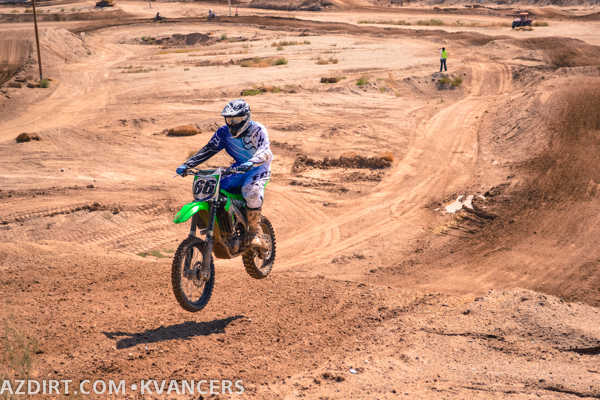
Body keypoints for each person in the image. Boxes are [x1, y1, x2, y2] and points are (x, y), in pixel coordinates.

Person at [176, 99, 273, 249]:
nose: (233, 124)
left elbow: (264, 150)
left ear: (246, 117)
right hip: (240, 166)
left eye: (237, 120)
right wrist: (187, 164)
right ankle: (222, 223)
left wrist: (252, 162)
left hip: (259, 166)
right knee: (216, 187)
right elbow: (208, 149)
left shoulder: (258, 130)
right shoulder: (223, 133)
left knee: (250, 191)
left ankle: (254, 233)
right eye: (229, 120)